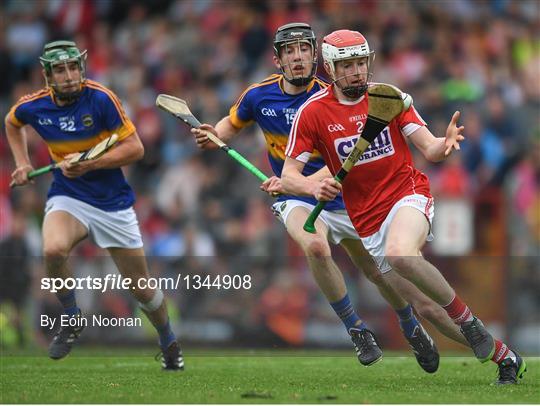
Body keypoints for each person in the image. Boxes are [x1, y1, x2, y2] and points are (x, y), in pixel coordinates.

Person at [192, 23, 471, 372]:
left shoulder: (335, 94)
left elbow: (350, 159)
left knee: (376, 271)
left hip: (342, 191)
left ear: (317, 56)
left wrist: (317, 181)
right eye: (289, 52)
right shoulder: (257, 96)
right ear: (277, 59)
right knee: (316, 247)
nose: (297, 57)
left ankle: (409, 324)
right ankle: (355, 328)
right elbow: (231, 125)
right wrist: (212, 134)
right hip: (295, 193)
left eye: (303, 50)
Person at [282, 29, 527, 385]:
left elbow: (429, 149)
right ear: (331, 69)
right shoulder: (313, 114)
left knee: (400, 254)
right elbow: (289, 175)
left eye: (361, 63)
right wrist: (312, 184)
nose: (356, 72)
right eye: (347, 65)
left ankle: (469, 320)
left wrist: (445, 144)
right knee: (427, 308)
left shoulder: (387, 97)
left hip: (407, 195)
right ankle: (505, 357)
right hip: (367, 222)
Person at [5, 40, 183, 371]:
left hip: (112, 204)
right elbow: (12, 122)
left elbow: (136, 149)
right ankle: (72, 317)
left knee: (142, 290)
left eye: (74, 67)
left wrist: (88, 164)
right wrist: (22, 162)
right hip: (69, 196)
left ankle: (168, 340)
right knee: (53, 250)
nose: (70, 76)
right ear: (48, 76)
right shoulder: (34, 106)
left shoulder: (101, 98)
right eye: (61, 70)